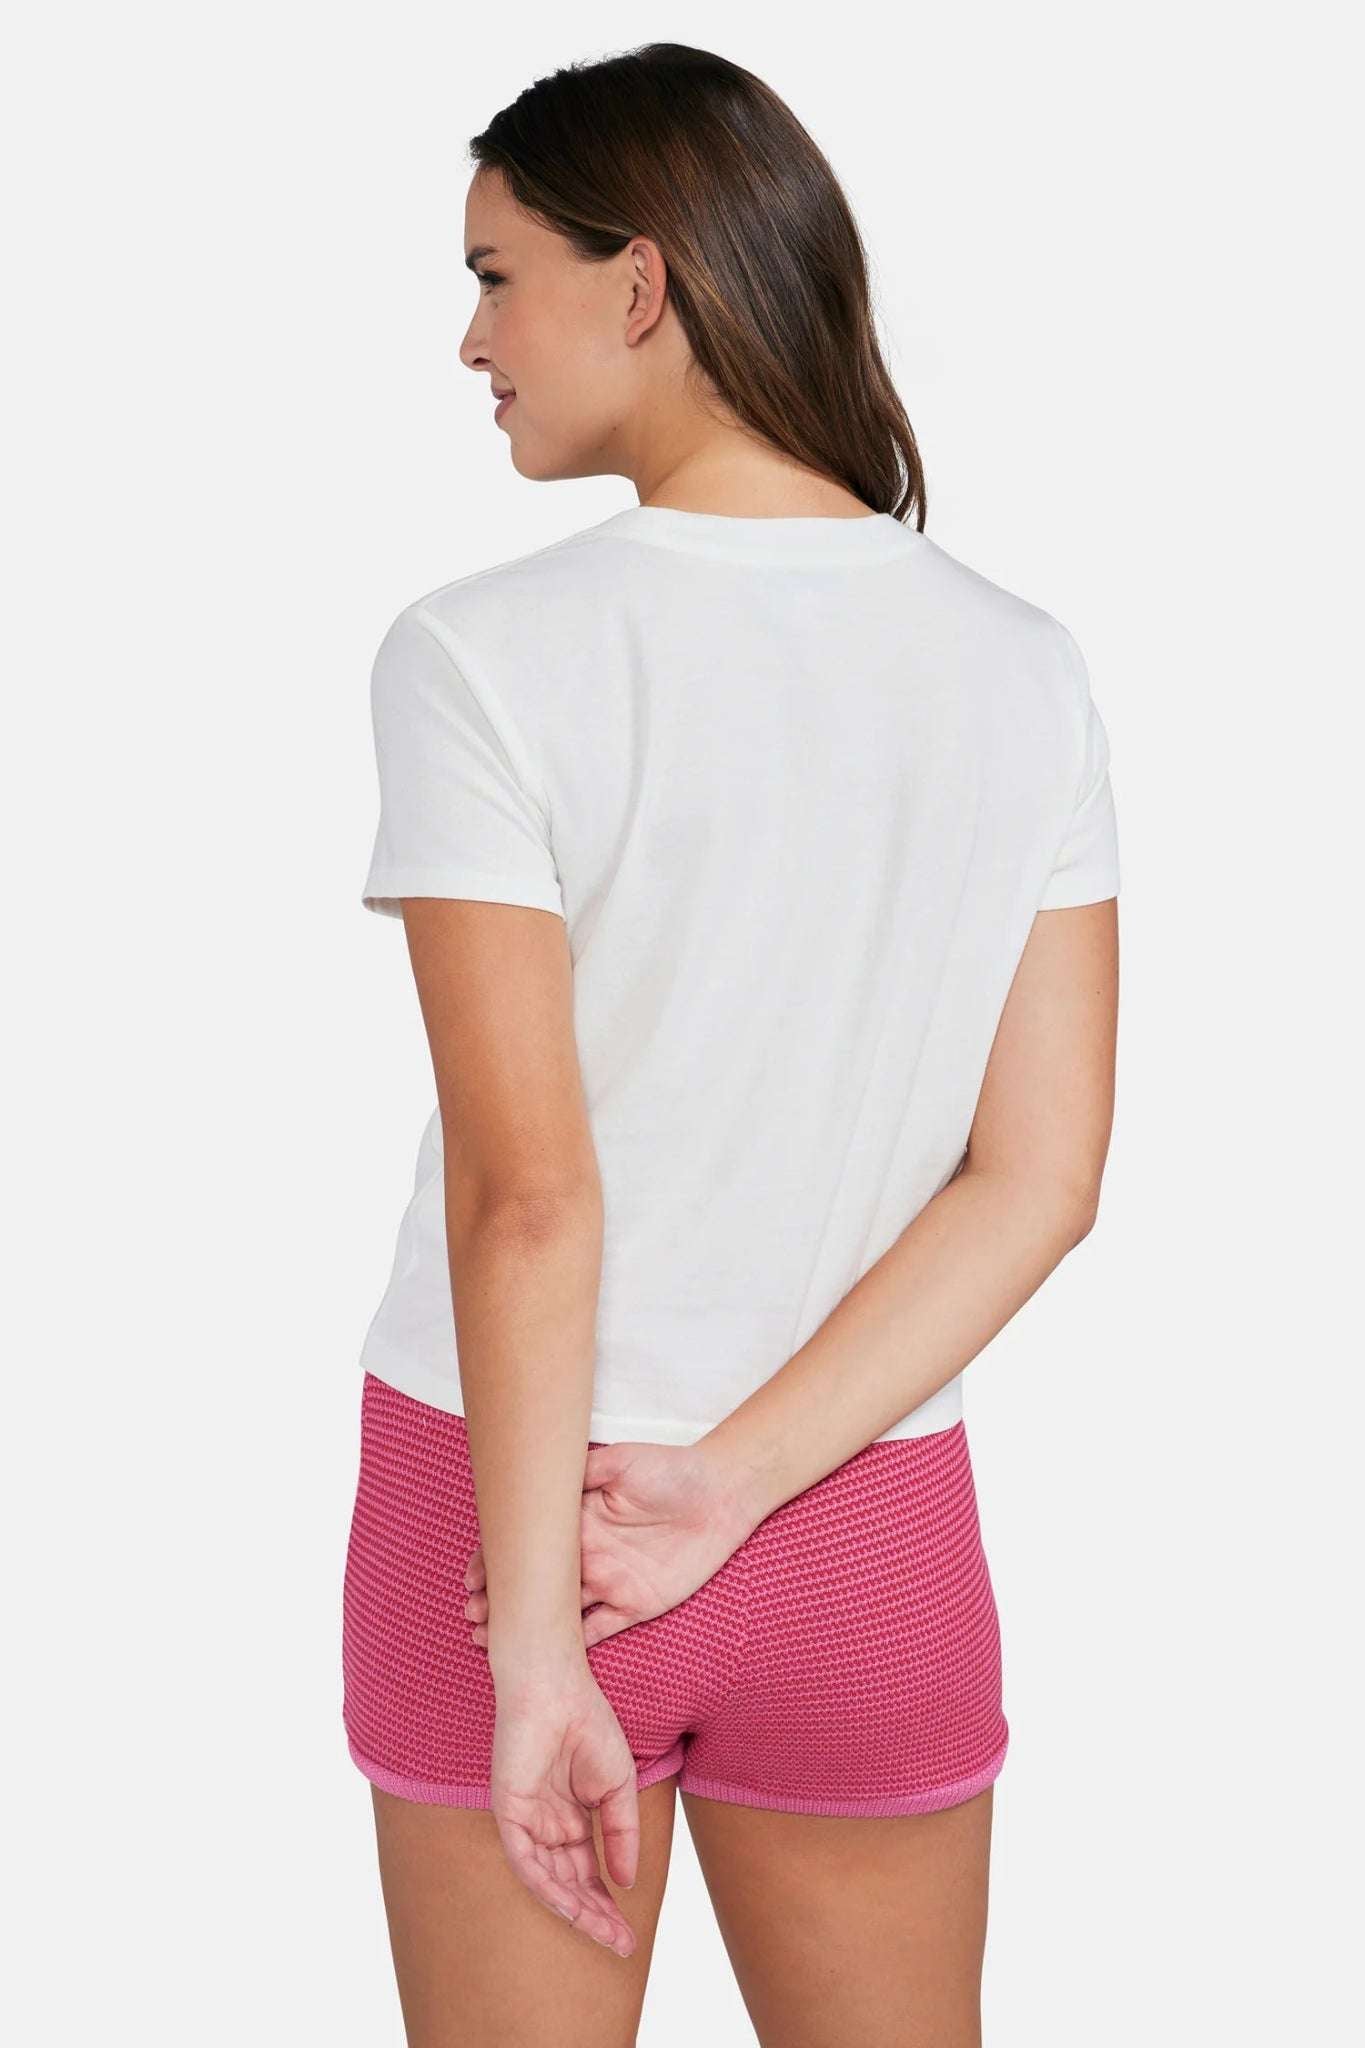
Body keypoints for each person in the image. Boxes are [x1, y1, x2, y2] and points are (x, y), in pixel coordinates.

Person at [341, 40, 1120, 2048]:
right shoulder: (1018, 666)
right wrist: (739, 1481)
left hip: (513, 1525)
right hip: (858, 1511)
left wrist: (536, 1653)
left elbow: (531, 1200)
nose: (468, 340)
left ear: (641, 283)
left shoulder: (480, 656)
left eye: (495, 276)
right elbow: (1037, 1180)